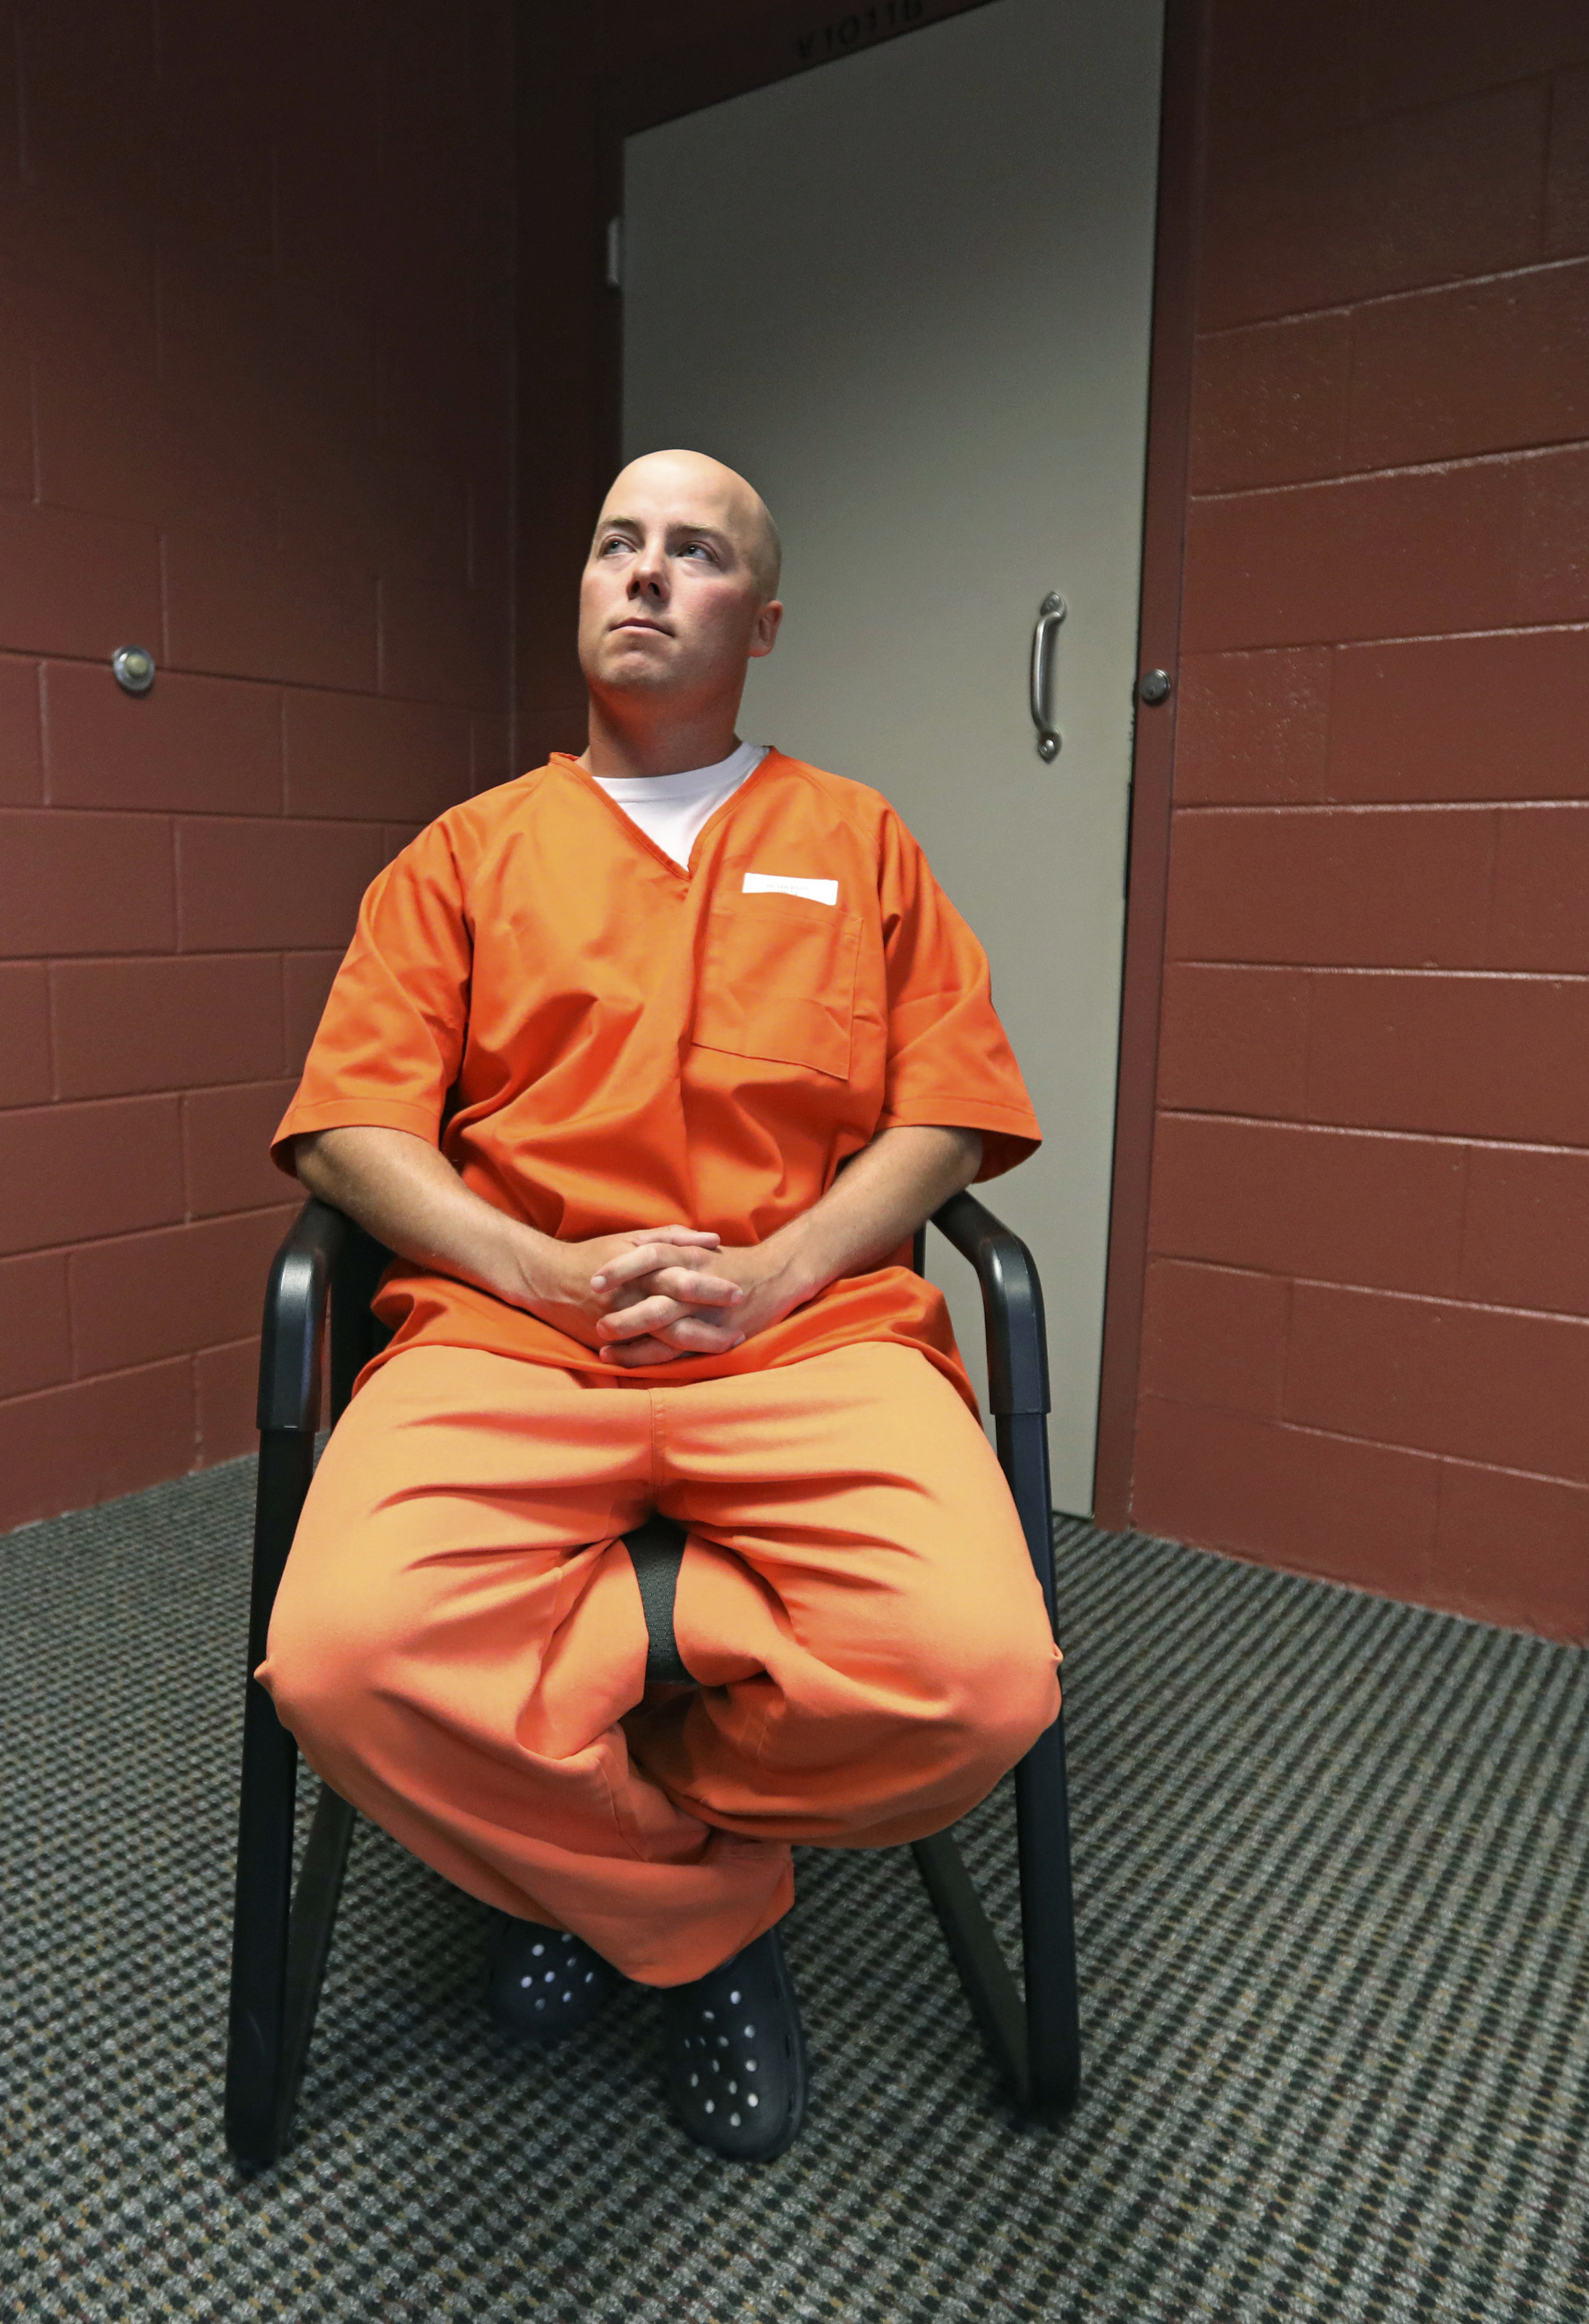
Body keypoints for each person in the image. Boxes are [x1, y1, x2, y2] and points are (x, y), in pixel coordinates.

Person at [259, 449, 1058, 2163]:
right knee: (339, 1665)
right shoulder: (465, 854)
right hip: (512, 1334)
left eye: (695, 552)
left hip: (805, 1335)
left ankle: (594, 1789)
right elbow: (347, 1128)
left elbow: (949, 1113)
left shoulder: (860, 842)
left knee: (981, 1685)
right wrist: (537, 1270)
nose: (643, 571)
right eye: (618, 541)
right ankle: (697, 1916)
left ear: (759, 625)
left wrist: (782, 1269)